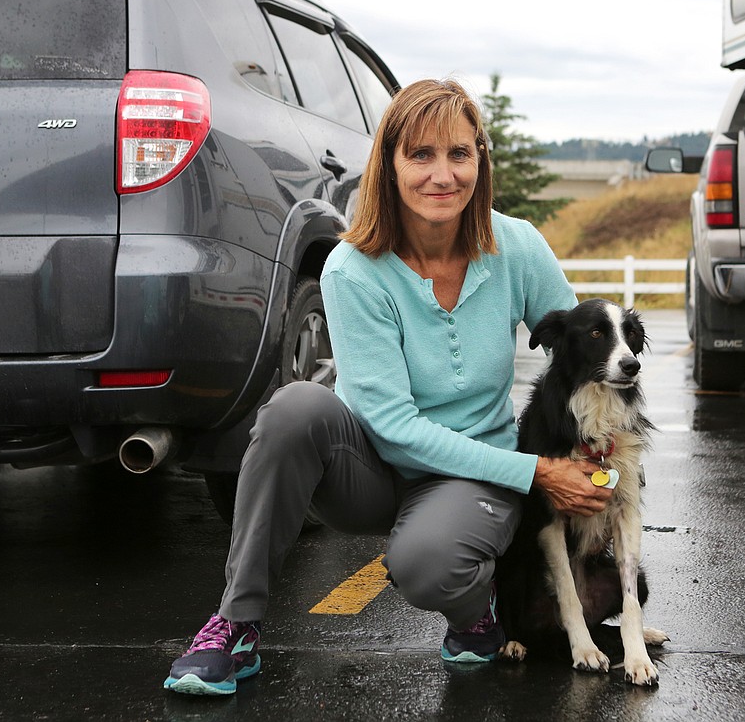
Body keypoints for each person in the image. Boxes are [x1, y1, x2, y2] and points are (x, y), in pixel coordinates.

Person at [164, 78, 614, 696]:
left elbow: (580, 353)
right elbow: (393, 427)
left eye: (459, 154)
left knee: (426, 565)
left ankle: (472, 617)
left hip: (472, 475)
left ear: (481, 161)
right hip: (371, 468)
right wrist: (536, 471)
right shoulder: (353, 268)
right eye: (421, 155)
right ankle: (235, 625)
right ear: (390, 165)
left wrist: (599, 457)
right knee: (295, 407)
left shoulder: (516, 247)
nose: (442, 174)